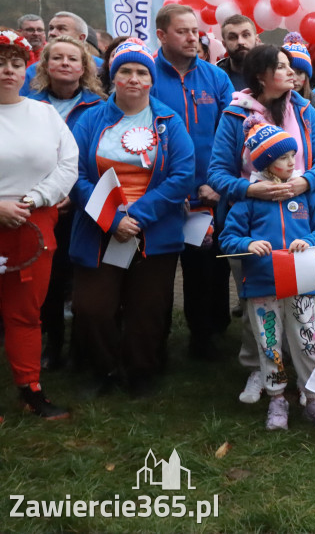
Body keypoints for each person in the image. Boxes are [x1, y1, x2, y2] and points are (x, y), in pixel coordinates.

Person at [208, 44, 315, 404]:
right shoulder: (235, 115)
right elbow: (217, 173)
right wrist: (251, 189)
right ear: (260, 75)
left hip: (302, 221)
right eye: (281, 67)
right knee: (258, 304)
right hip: (254, 225)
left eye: (290, 66)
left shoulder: (304, 110)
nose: (291, 72)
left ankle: (308, 377)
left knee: (305, 302)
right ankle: (258, 370)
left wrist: (306, 181)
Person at [69, 40, 195, 397]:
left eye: (142, 72)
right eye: (126, 71)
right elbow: (75, 174)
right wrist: (112, 220)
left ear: (152, 80)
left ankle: (141, 371)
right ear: (113, 76)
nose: (134, 78)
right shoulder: (90, 118)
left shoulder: (169, 121)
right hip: (98, 228)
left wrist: (137, 216)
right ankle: (104, 370)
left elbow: (182, 176)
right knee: (91, 307)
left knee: (148, 309)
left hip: (152, 230)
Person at [220, 121, 315, 430]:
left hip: (300, 281)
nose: (291, 162)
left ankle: (314, 398)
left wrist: (309, 242)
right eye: (283, 157)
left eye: (292, 156)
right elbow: (228, 238)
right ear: (265, 162)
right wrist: (247, 243)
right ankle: (277, 399)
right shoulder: (249, 199)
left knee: (307, 339)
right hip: (261, 284)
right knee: (269, 342)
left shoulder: (308, 194)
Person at [0, 28, 78, 419]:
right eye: (0, 64)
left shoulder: (43, 114)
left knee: (26, 311)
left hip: (32, 225)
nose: (8, 71)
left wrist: (33, 199)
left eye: (15, 64)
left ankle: (30, 388)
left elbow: (68, 163)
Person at [150, 4, 234, 361]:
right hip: (158, 195)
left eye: (195, 31)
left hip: (206, 196)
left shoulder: (215, 78)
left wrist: (218, 184)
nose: (192, 37)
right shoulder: (146, 73)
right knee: (156, 276)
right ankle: (154, 341)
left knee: (205, 273)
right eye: (182, 31)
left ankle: (204, 338)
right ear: (162, 35)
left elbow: (234, 133)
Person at [24, 36, 105, 370]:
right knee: (50, 281)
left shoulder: (99, 106)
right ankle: (52, 344)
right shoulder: (27, 104)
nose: (65, 64)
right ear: (45, 65)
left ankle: (81, 348)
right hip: (42, 203)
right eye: (57, 58)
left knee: (85, 277)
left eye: (73, 58)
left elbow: (97, 158)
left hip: (83, 204)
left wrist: (75, 193)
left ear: (84, 67)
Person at [282, 42, 315, 127]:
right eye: (289, 72)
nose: (294, 79)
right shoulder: (265, 107)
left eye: (299, 73)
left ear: (307, 76)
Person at [218, 14, 259, 91]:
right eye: (232, 37)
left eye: (246, 35)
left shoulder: (273, 71)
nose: (240, 42)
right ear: (224, 44)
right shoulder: (214, 76)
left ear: (257, 39)